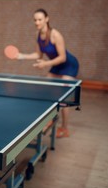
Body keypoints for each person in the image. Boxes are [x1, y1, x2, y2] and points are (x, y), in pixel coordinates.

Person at [17, 8, 79, 138]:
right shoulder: (38, 34)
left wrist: (45, 64)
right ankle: (50, 118)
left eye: (40, 19)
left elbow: (63, 57)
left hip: (68, 65)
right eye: (35, 20)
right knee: (46, 90)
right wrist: (20, 56)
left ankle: (64, 128)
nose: (37, 22)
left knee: (63, 96)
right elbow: (37, 54)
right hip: (55, 65)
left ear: (47, 19)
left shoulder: (55, 34)